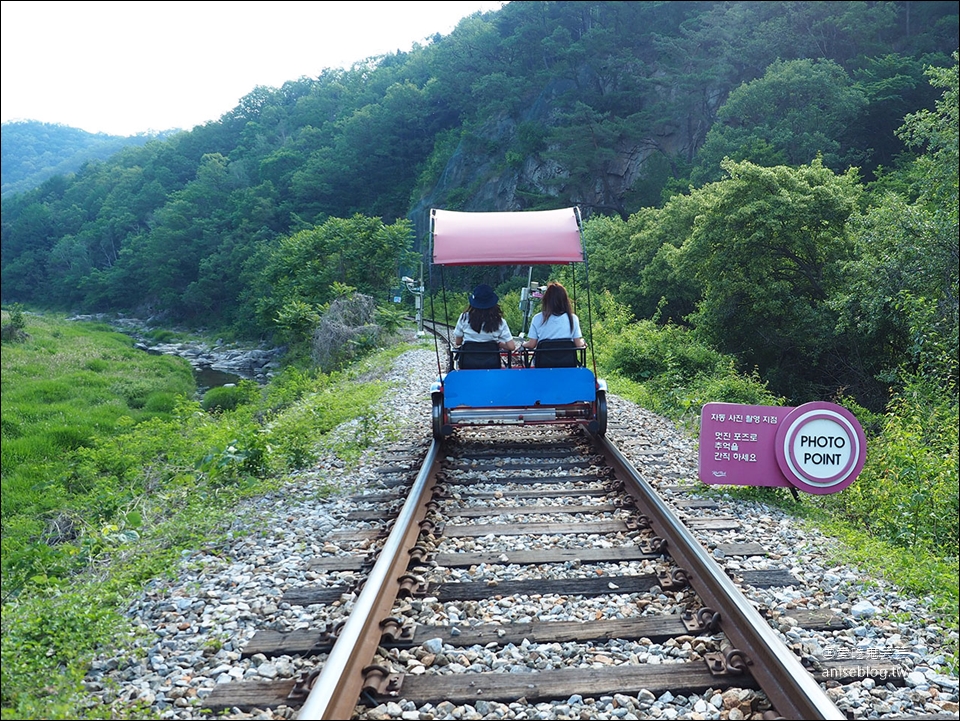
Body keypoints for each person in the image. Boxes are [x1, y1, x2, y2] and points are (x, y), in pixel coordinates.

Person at [522, 281, 586, 353]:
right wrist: (583, 342)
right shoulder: (573, 318)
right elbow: (578, 344)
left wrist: (523, 344)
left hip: (543, 363)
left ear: (546, 300)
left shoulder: (537, 318)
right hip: (567, 363)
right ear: (565, 300)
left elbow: (531, 344)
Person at [453, 283, 517, 350]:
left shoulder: (464, 318)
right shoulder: (500, 321)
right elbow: (511, 347)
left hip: (468, 359)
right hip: (492, 360)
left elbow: (458, 342)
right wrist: (499, 344)